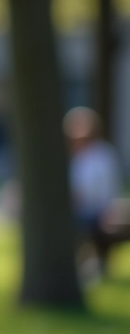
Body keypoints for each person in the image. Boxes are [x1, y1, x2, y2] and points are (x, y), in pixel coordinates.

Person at [65, 106, 123, 277]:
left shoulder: (100, 156)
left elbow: (90, 195)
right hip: (84, 211)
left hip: (95, 212)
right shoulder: (76, 156)